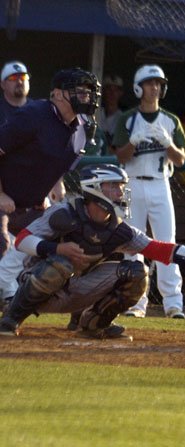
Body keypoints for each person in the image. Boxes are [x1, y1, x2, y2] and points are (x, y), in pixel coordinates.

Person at [0, 164, 185, 339]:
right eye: (113, 186)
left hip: (79, 290)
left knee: (138, 272)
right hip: (39, 287)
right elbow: (22, 239)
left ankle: (93, 324)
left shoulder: (118, 229)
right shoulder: (65, 213)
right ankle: (11, 319)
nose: (120, 192)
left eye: (121, 186)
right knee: (60, 264)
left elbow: (157, 248)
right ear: (94, 188)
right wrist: (57, 248)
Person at [0, 67, 100, 302]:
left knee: (71, 238)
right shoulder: (34, 114)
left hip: (33, 203)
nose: (85, 96)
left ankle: (77, 307)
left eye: (88, 91)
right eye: (78, 91)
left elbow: (59, 162)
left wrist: (55, 187)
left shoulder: (84, 127)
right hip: (6, 196)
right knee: (3, 242)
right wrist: (1, 193)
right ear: (57, 94)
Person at [112, 64, 185, 319]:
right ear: (138, 87)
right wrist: (134, 141)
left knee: (166, 241)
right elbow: (119, 155)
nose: (154, 87)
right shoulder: (128, 119)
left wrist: (167, 144)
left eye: (158, 83)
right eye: (149, 83)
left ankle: (173, 303)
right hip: (132, 182)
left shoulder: (170, 120)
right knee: (133, 243)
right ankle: (135, 302)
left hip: (159, 183)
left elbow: (181, 160)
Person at [0, 61, 32, 261]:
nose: (19, 82)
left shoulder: (39, 111)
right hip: (3, 190)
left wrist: (56, 183)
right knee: (2, 243)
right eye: (13, 79)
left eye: (23, 78)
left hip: (31, 193)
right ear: (3, 84)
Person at [96, 74, 125, 148]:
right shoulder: (96, 113)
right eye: (109, 89)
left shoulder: (124, 118)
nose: (112, 93)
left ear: (120, 93)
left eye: (116, 90)